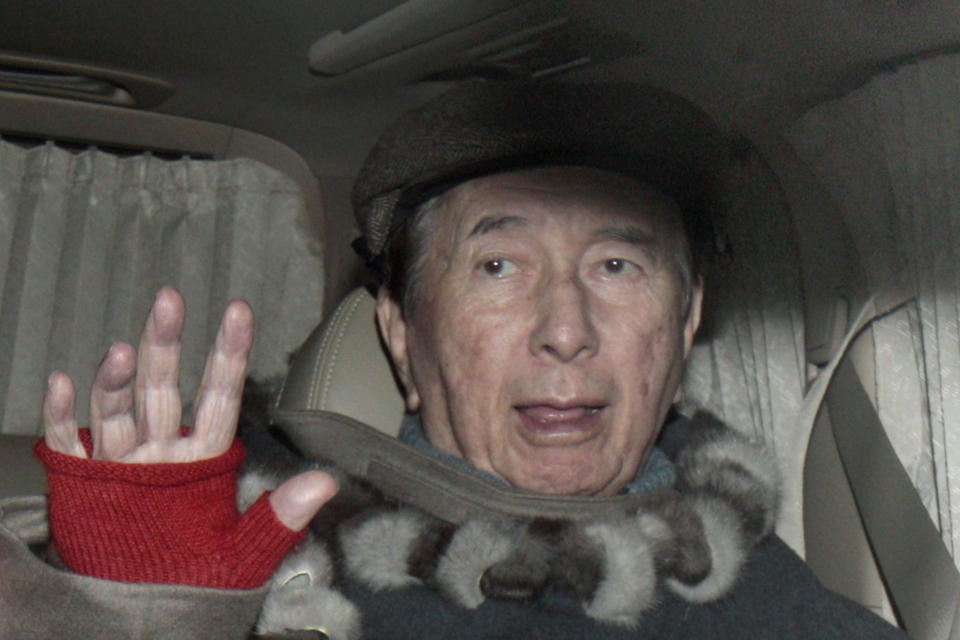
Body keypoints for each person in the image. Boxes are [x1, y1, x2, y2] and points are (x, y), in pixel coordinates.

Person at [1, 81, 905, 638]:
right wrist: (136, 614)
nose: (565, 328)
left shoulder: (765, 595)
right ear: (399, 331)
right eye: (498, 266)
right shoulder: (261, 562)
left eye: (619, 266)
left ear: (688, 318)